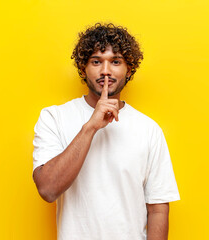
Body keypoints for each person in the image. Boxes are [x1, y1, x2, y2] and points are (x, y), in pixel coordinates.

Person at [32, 23, 180, 240]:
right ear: (84, 68)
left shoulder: (149, 130)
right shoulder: (54, 118)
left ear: (128, 69)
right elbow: (48, 189)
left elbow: (158, 208)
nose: (105, 71)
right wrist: (91, 127)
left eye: (116, 62)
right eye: (96, 61)